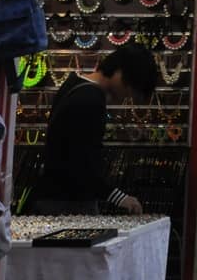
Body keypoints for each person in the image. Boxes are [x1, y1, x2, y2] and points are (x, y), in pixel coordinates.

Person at [30, 45, 158, 214]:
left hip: (52, 199)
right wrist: (118, 197)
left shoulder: (74, 84)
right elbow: (82, 163)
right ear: (120, 74)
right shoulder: (91, 100)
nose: (128, 98)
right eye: (131, 90)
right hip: (68, 205)